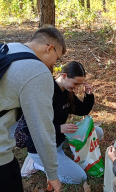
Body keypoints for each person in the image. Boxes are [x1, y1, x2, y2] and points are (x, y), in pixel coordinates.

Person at [0, 26, 66, 192]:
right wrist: (52, 174)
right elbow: (41, 128)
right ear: (49, 48)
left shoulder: (8, 48)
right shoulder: (37, 71)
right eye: (57, 59)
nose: (54, 65)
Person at [20, 61, 104, 184]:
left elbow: (81, 110)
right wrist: (59, 128)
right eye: (75, 83)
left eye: (79, 85)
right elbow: (28, 127)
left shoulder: (66, 90)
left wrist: (88, 95)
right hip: (41, 147)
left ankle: (60, 155)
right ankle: (37, 164)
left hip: (58, 139)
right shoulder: (46, 92)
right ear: (64, 76)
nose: (76, 87)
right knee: (79, 178)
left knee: (98, 132)